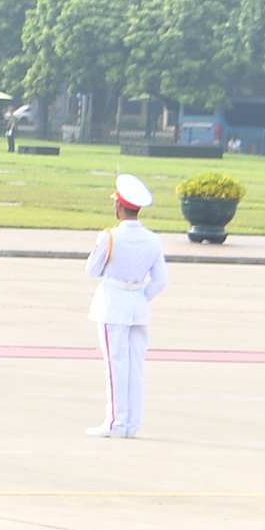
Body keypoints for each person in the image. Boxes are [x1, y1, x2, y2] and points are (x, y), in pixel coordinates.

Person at [86, 172, 168, 439]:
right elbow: (160, 280)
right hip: (138, 306)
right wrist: (140, 295)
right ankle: (131, 423)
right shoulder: (153, 240)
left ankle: (115, 422)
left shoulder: (110, 237)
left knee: (115, 365)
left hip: (113, 305)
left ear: (119, 207)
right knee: (135, 366)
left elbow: (92, 270)